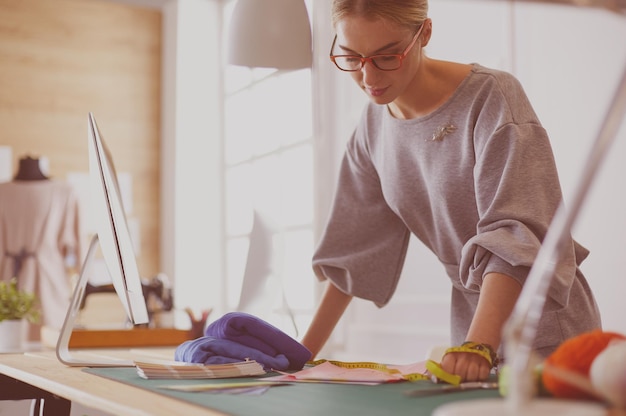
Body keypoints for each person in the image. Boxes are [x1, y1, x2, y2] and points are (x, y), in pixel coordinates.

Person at [300, 0, 601, 382]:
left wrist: (480, 345)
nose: (368, 74)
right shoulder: (372, 128)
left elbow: (516, 235)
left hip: (545, 331)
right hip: (471, 336)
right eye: (351, 56)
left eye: (387, 56)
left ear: (424, 33)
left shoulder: (491, 97)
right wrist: (297, 355)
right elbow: (353, 255)